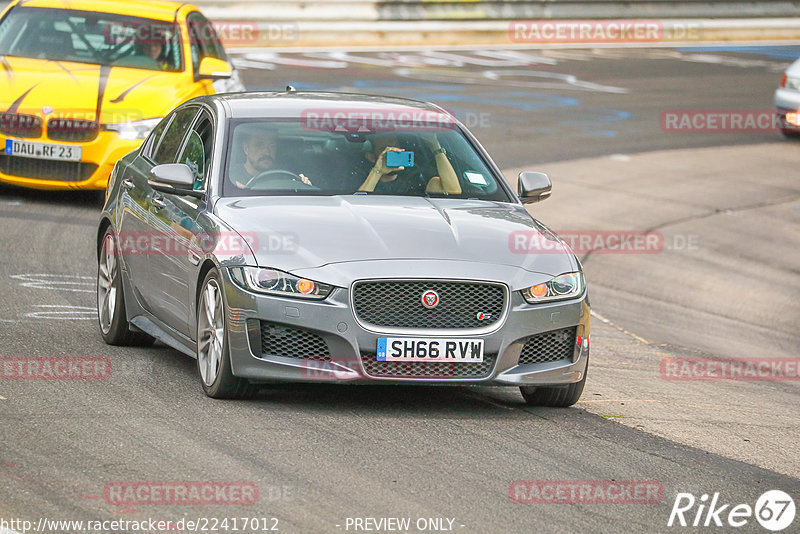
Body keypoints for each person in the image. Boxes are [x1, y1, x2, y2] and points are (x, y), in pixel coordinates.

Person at [357, 133, 461, 195]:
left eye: (395, 147)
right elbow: (358, 204)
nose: (392, 152)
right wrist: (377, 172)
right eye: (384, 149)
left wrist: (435, 147)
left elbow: (453, 191)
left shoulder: (417, 178)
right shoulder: (358, 178)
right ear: (371, 157)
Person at [229, 127, 313, 188]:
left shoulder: (284, 176)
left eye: (272, 145)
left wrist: (304, 186)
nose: (267, 152)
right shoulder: (230, 178)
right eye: (259, 145)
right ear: (246, 148)